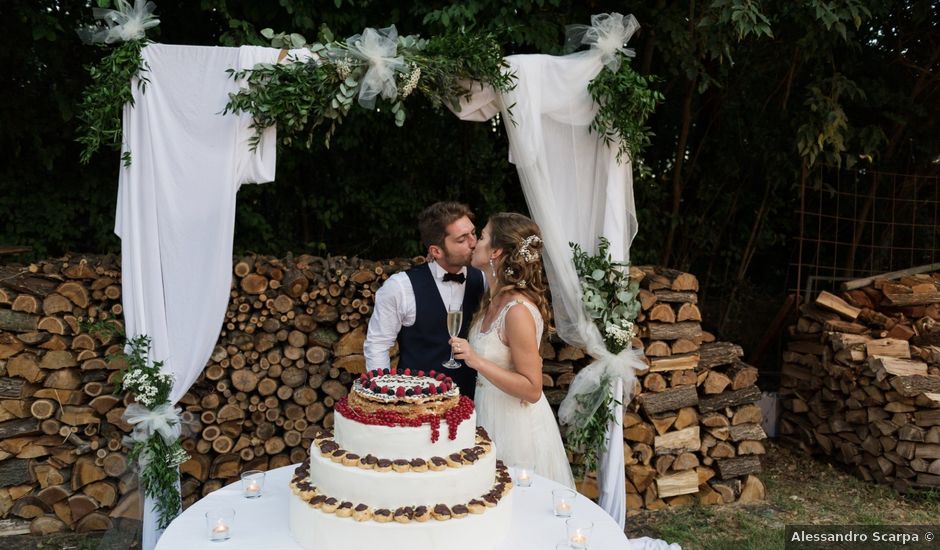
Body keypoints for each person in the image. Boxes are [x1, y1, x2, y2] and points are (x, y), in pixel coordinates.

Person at [449, 212, 576, 489]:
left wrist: (475, 360)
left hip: (516, 427)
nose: (473, 243)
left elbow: (532, 389)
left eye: (481, 237)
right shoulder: (491, 300)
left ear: (495, 251)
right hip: (488, 412)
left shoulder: (517, 311)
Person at [364, 202, 485, 399]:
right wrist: (383, 396)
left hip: (473, 401)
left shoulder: (484, 279)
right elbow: (377, 345)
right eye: (462, 239)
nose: (474, 243)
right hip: (419, 404)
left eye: (474, 233)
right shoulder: (400, 287)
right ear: (436, 251)